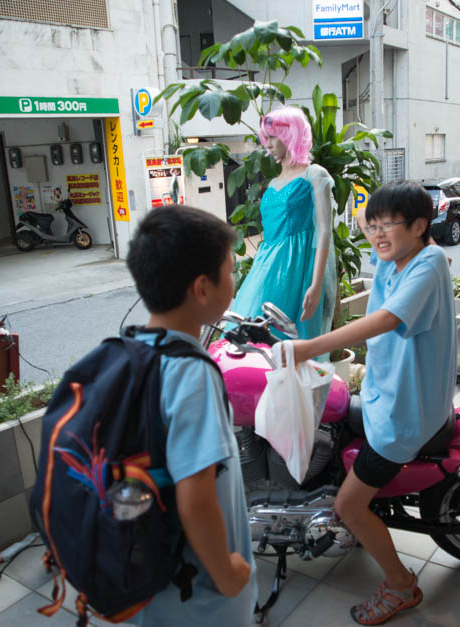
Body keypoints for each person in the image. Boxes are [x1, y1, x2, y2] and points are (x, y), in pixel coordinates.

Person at [288, 181, 456, 625]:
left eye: (390, 226)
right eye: (374, 225)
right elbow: (367, 220)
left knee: (347, 505)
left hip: (406, 414)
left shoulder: (428, 262)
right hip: (387, 395)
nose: (378, 234)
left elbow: (385, 319)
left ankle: (401, 585)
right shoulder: (397, 255)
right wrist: (369, 207)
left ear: (421, 226)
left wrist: (307, 347)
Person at [127, 206, 257, 626]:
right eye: (231, 272)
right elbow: (196, 499)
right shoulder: (192, 374)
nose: (235, 282)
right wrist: (229, 572)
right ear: (202, 288)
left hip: (149, 583)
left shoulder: (131, 351)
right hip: (200, 597)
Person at [229, 106, 336, 342]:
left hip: (297, 267)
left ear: (290, 134)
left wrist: (316, 284)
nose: (267, 144)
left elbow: (324, 230)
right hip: (266, 265)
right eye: (265, 138)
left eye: (272, 137)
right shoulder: (274, 181)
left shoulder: (314, 174)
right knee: (247, 328)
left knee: (283, 337)